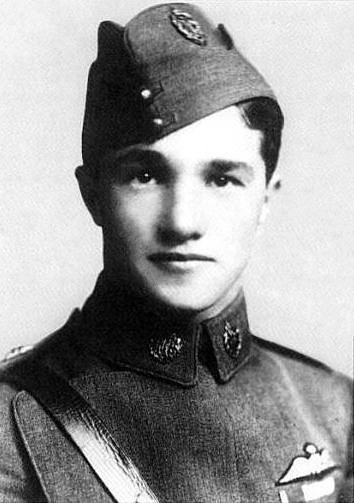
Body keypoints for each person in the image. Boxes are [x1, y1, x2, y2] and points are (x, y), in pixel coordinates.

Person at [0, 3, 352, 502]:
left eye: (222, 178)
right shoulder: (12, 424)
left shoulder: (331, 406)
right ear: (92, 195)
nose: (183, 222)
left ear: (266, 198)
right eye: (144, 176)